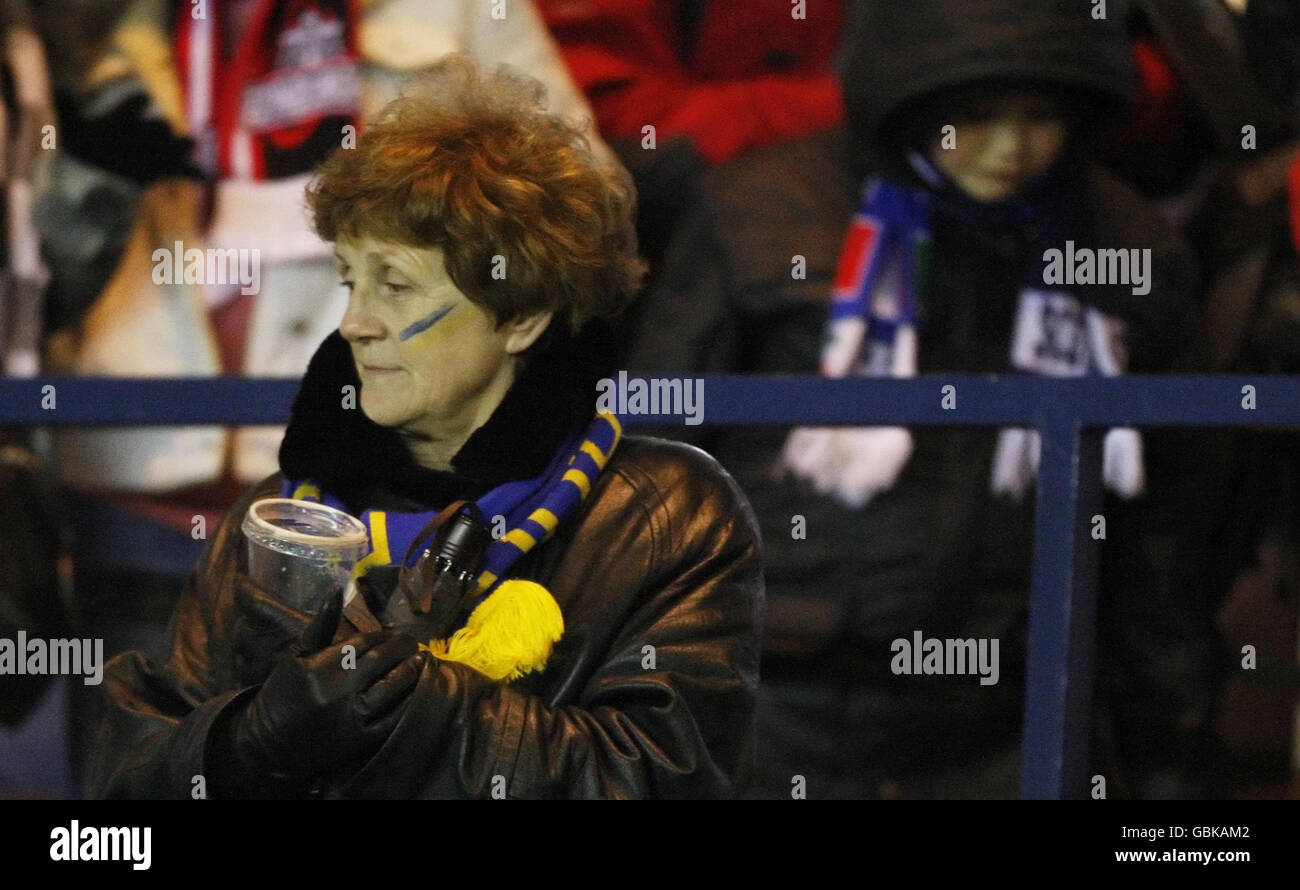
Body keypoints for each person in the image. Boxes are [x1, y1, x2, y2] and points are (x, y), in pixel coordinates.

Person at [88, 55, 763, 800]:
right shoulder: (277, 516)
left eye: (396, 285)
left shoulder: (665, 516)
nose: (352, 323)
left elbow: (651, 782)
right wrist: (249, 742)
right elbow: (125, 804)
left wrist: (404, 705)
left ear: (523, 314)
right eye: (350, 278)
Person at [626, 0, 1226, 798]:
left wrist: (1172, 744)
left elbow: (1164, 530)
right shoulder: (758, 210)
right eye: (974, 116)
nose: (1011, 149)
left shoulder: (1128, 251)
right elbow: (650, 471)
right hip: (776, 700)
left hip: (1014, 713)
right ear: (905, 93)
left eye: (1041, 116)